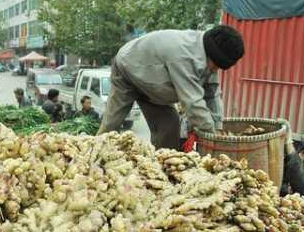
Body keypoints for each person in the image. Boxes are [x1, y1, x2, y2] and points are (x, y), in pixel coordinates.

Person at [98, 25, 245, 149]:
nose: (215, 71)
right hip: (127, 70)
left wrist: (218, 127)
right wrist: (213, 136)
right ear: (211, 55)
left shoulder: (209, 57)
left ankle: (162, 171)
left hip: (153, 84)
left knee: (170, 127)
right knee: (110, 127)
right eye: (216, 66)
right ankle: (89, 162)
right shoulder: (184, 56)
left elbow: (212, 95)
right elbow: (193, 103)